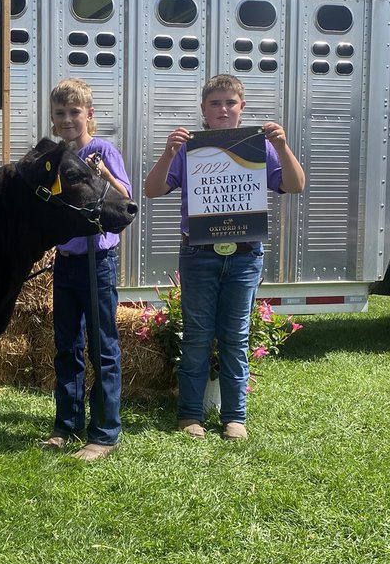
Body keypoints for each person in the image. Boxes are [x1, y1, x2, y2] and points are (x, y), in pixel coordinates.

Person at [143, 74, 305, 441]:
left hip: (245, 254)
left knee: (235, 337)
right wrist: (168, 151)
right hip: (198, 253)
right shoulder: (188, 149)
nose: (223, 109)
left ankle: (235, 418)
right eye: (214, 103)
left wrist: (282, 146)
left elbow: (294, 185)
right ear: (203, 109)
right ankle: (189, 416)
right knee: (197, 336)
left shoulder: (258, 145)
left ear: (241, 108)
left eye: (230, 103)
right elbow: (152, 191)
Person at [40, 78, 132, 461]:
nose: (67, 119)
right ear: (52, 118)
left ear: (89, 115)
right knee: (67, 345)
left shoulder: (102, 149)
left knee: (102, 346)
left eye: (74, 112)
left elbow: (125, 201)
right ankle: (67, 422)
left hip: (99, 263)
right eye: (60, 113)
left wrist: (104, 175)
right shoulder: (55, 157)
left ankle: (106, 431)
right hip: (67, 261)